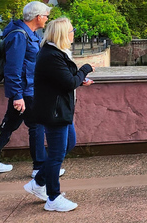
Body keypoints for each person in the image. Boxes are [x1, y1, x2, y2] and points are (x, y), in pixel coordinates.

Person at [24, 17, 94, 212]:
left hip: (60, 110)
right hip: (54, 112)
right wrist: (85, 70)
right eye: (71, 31)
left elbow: (65, 80)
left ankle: (38, 183)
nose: (73, 34)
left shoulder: (56, 53)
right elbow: (69, 82)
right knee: (56, 156)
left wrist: (81, 80)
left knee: (69, 144)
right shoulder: (51, 55)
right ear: (63, 34)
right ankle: (53, 198)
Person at [0, 1, 51, 175]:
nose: (47, 19)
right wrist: (17, 96)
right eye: (46, 16)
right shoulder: (19, 36)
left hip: (27, 90)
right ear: (38, 17)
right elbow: (13, 69)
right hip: (25, 92)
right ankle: (40, 168)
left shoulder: (28, 33)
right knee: (36, 126)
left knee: (8, 125)